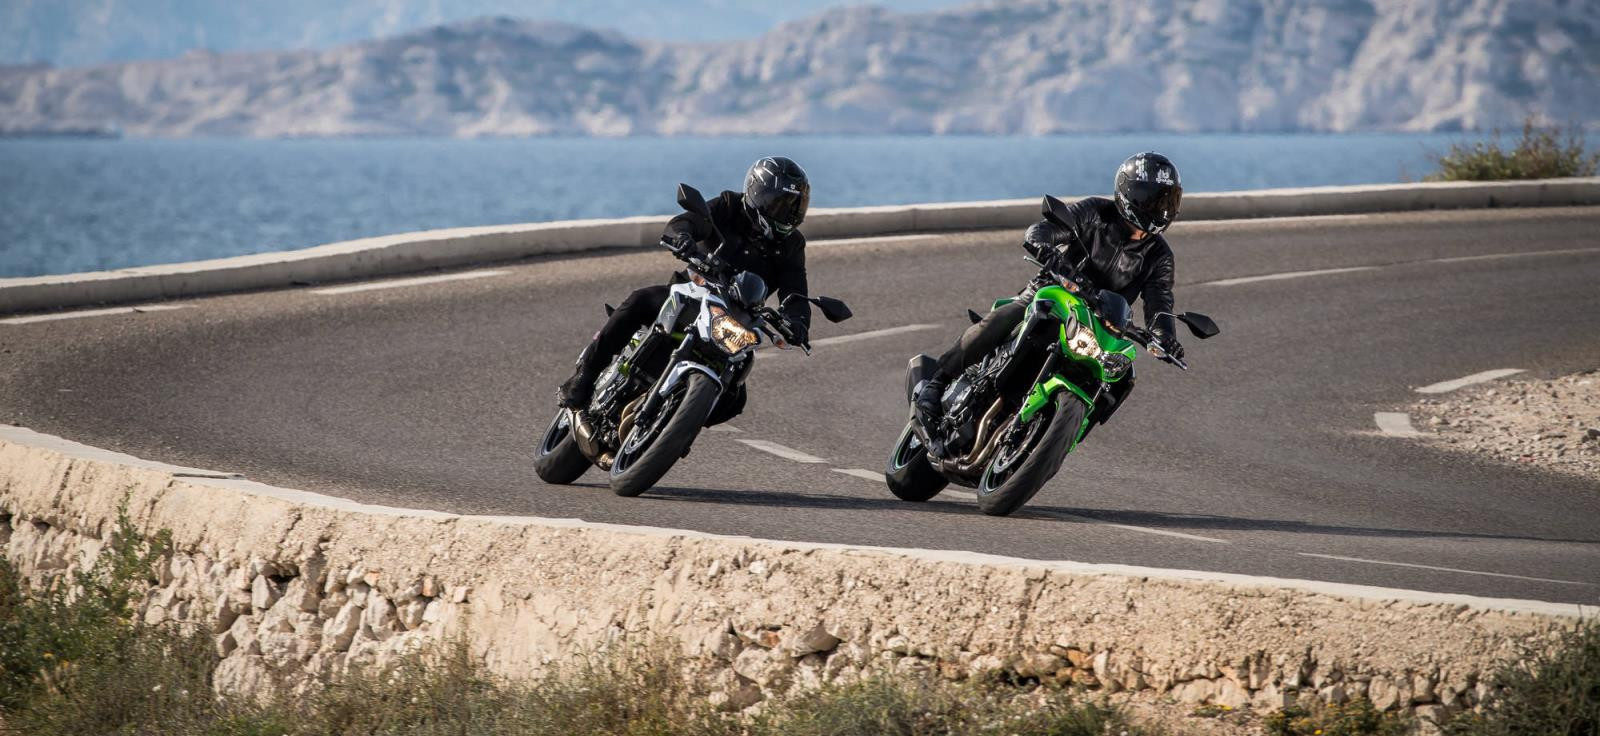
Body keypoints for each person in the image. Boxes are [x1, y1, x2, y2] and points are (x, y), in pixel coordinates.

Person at [914, 152, 1185, 451]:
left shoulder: (1160, 255)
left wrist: (1165, 337)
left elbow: (1160, 301)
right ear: (1132, 193)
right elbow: (1046, 230)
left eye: (1168, 201)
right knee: (1010, 315)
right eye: (1156, 200)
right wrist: (1045, 248)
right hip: (1054, 293)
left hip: (1100, 323)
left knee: (1122, 376)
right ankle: (937, 383)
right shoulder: (1096, 212)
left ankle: (1060, 436)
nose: (1162, 209)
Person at [557, 156, 813, 417]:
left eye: (796, 206)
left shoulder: (792, 244)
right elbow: (688, 221)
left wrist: (798, 323)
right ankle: (585, 375)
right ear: (758, 194)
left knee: (734, 399)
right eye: (782, 204)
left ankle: (673, 425)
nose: (789, 214)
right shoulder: (728, 205)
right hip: (692, 295)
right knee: (639, 301)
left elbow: (796, 291)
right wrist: (682, 238)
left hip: (734, 319)